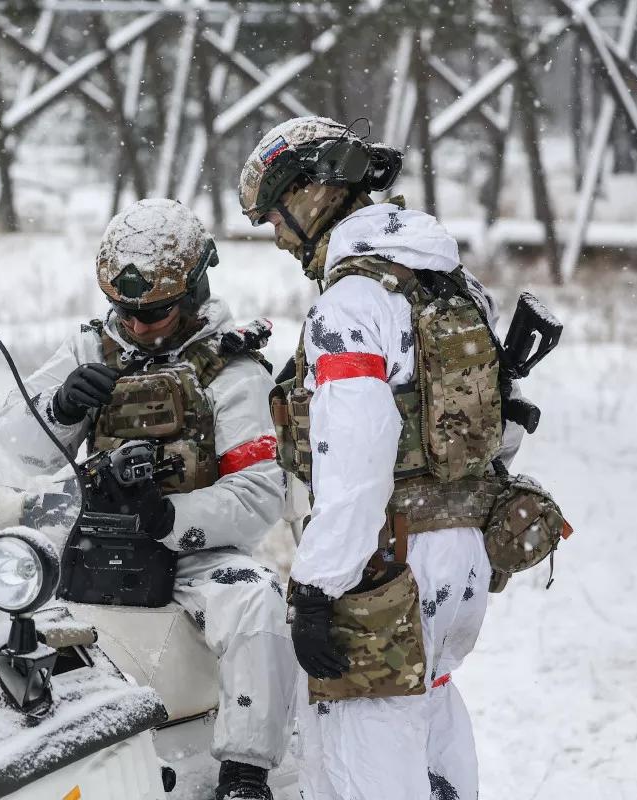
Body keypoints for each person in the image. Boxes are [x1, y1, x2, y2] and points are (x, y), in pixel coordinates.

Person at [238, 116, 525, 800]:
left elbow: (356, 466)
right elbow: (500, 432)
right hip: (462, 553)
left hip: (385, 564)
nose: (277, 236)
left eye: (276, 216)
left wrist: (315, 589)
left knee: (362, 753)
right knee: (433, 708)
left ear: (312, 196)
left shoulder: (351, 303)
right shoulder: (453, 285)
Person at [0, 198, 297, 800]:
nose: (136, 327)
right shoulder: (89, 350)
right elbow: (17, 449)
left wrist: (169, 516)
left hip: (192, 550)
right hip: (91, 538)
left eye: (154, 314)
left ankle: (244, 772)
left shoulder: (232, 373)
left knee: (257, 601)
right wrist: (59, 410)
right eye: (124, 312)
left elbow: (263, 492)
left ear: (192, 295)